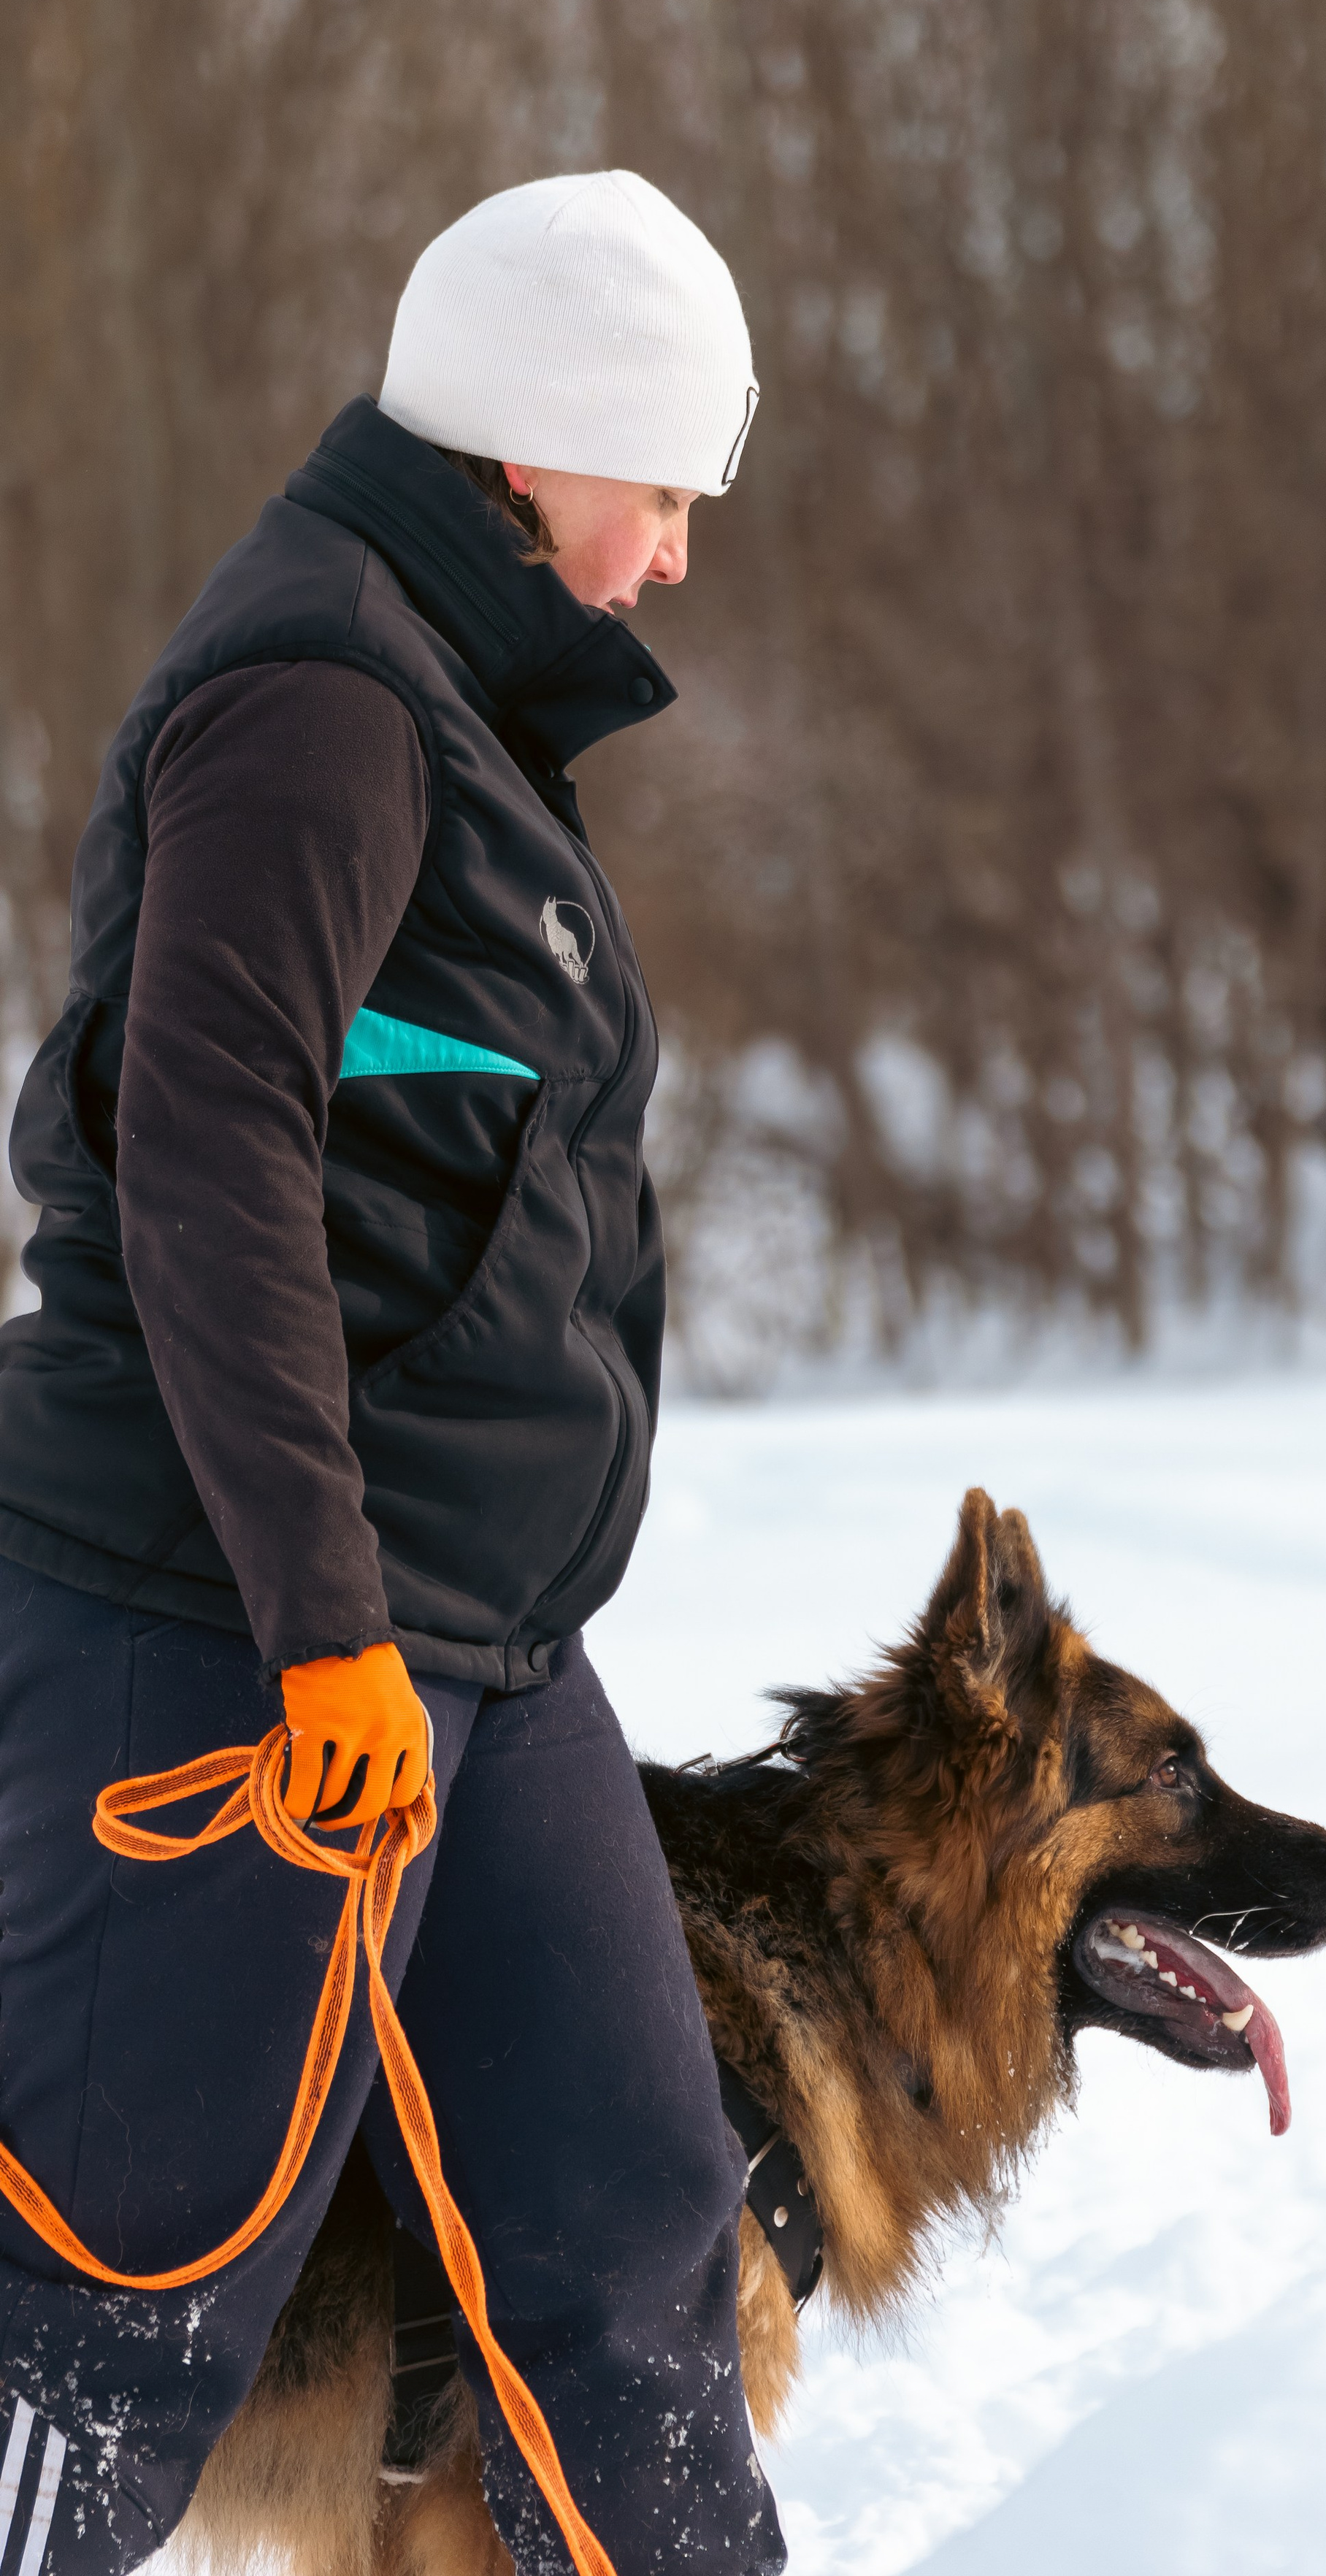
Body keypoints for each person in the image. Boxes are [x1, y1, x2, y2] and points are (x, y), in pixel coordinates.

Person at [0, 174, 784, 2575]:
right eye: (663, 492)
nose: (669, 556)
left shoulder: (450, 703)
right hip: (228, 1633)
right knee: (120, 2308)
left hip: (475, 1650)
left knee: (635, 2240)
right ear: (545, 452)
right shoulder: (323, 705)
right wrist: (323, 1620)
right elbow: (207, 1167)